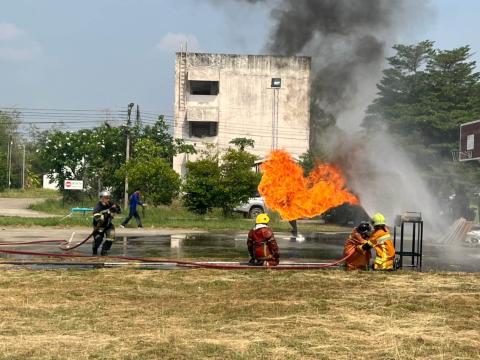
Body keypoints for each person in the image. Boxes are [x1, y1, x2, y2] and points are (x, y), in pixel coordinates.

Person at [92, 190, 121, 256]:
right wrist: (107, 212)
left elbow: (119, 211)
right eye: (105, 198)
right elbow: (96, 216)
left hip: (108, 224)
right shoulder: (98, 206)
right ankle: (95, 248)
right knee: (98, 239)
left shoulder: (111, 203)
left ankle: (104, 250)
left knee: (111, 237)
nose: (107, 199)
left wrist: (116, 208)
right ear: (101, 198)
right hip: (99, 226)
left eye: (108, 197)